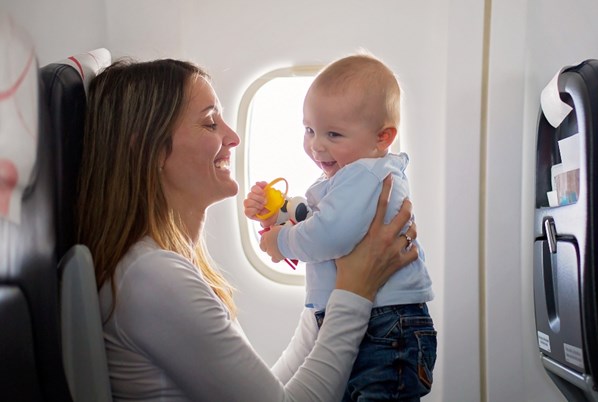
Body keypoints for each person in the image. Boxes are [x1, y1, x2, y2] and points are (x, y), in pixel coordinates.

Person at [75, 58, 420, 402]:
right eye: (210, 123)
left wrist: (331, 299)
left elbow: (271, 393)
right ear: (150, 149)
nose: (233, 136)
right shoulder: (152, 277)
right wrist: (356, 290)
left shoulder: (165, 266)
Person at [244, 54, 436, 401]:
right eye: (310, 130)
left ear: (382, 137)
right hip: (379, 321)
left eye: (333, 134)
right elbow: (324, 222)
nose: (317, 145)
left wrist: (281, 242)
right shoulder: (350, 176)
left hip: (386, 324)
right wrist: (278, 217)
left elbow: (331, 234)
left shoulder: (363, 173)